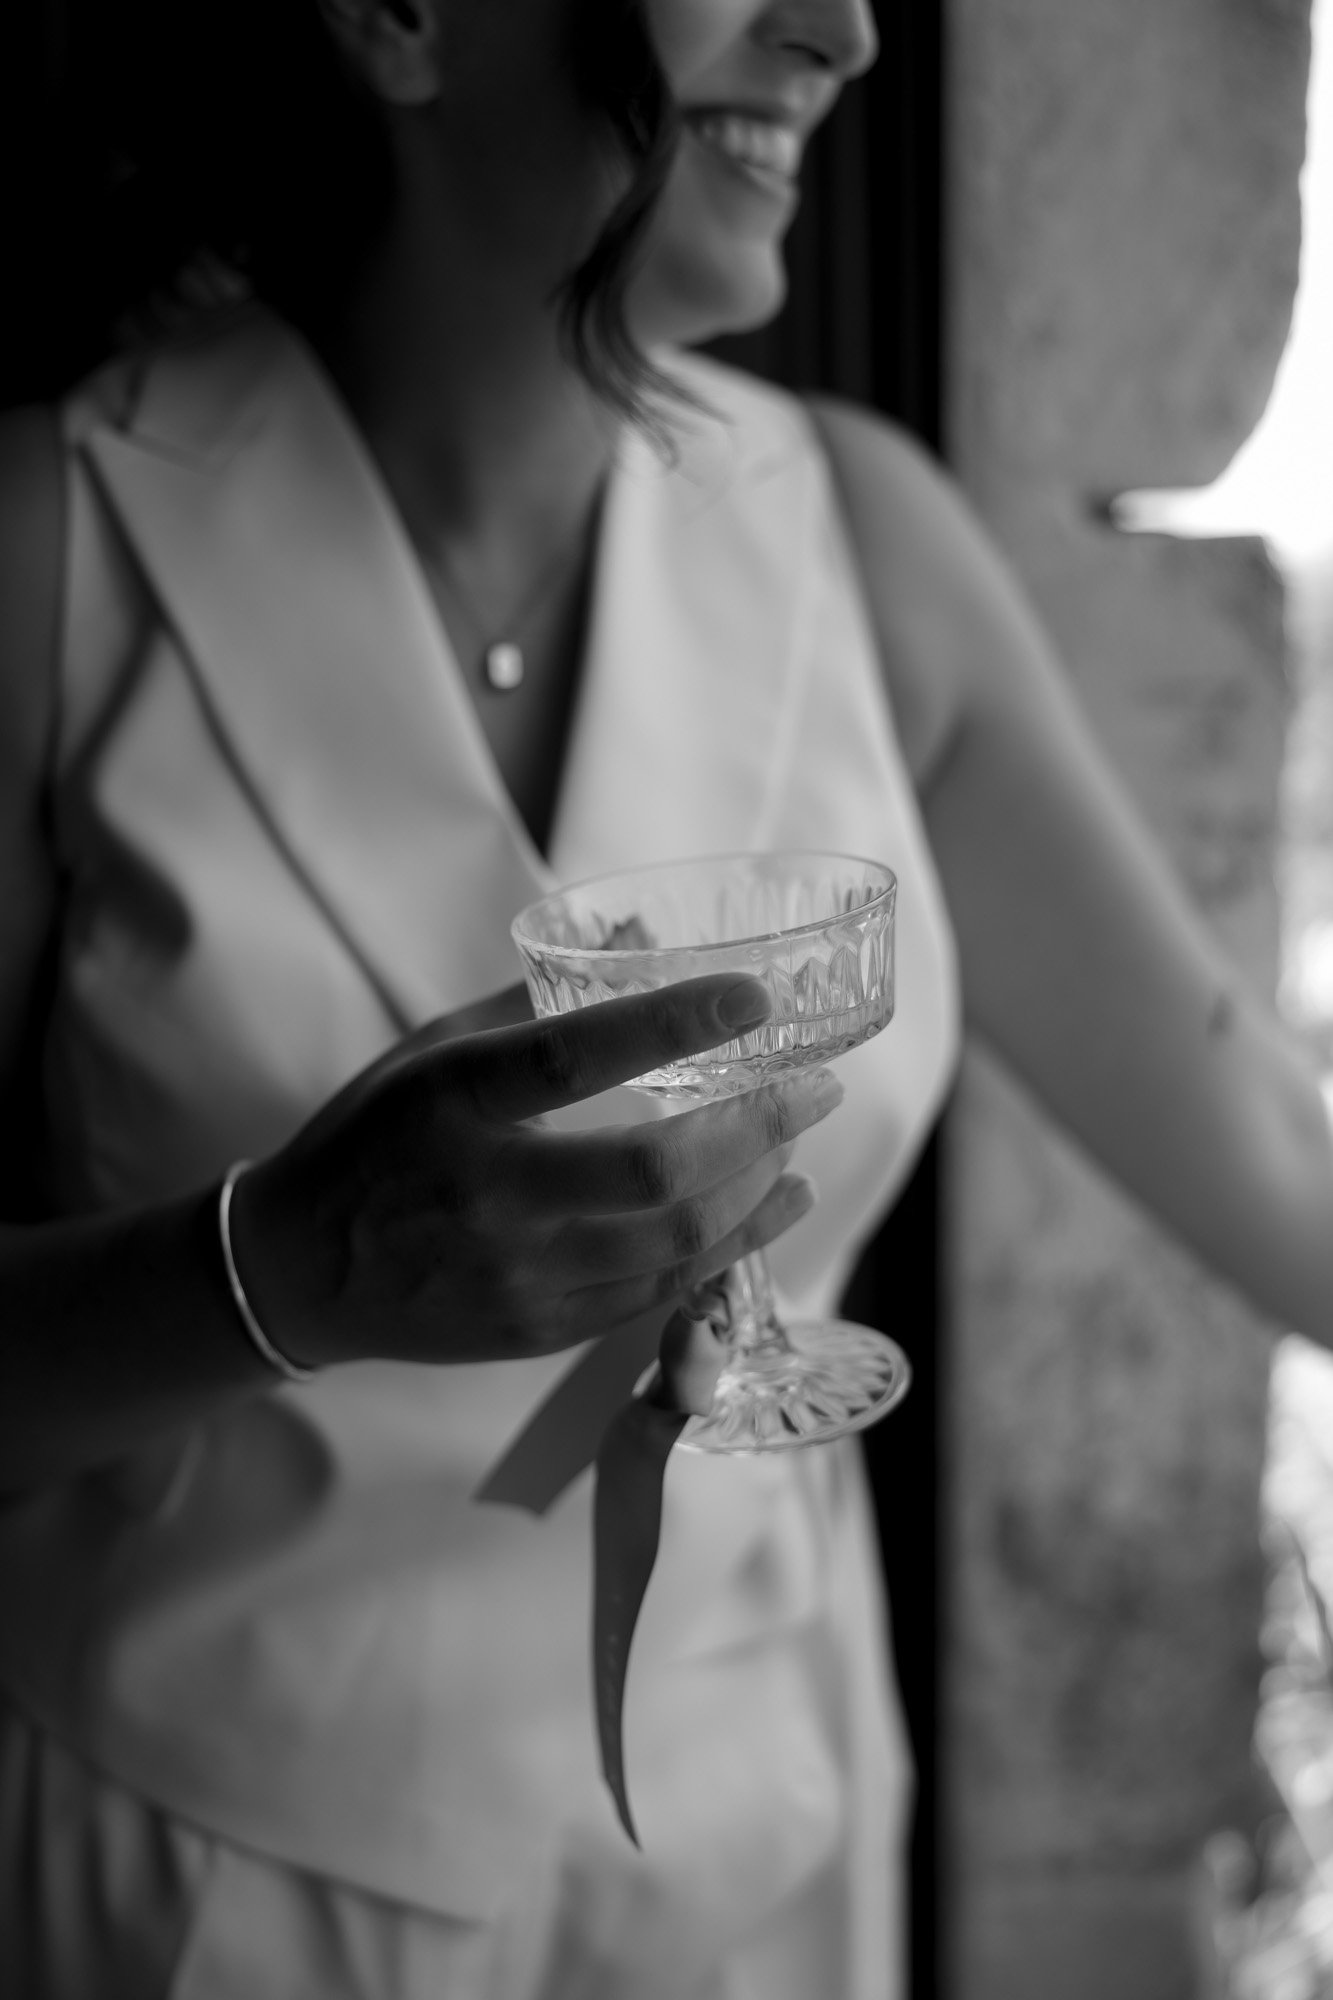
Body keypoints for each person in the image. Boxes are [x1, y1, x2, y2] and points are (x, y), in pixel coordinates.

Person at [2, 1, 1332, 1995]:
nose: (841, 32)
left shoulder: (863, 536)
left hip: (766, 1861)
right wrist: (275, 1264)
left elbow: (1249, 1120)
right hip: (203, 1889)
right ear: (397, 16)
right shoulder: (54, 551)